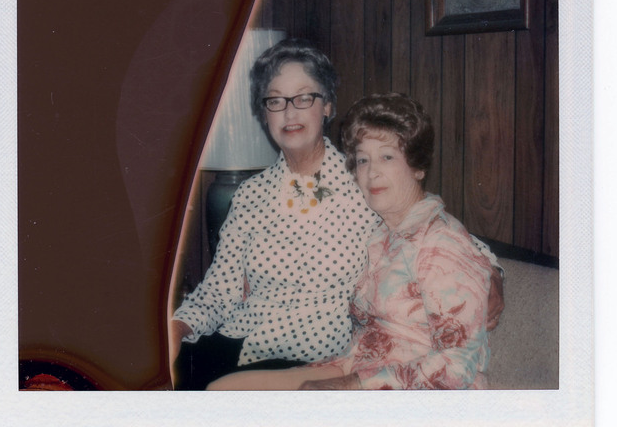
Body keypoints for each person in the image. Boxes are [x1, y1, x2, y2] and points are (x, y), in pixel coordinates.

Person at [208, 92, 499, 391]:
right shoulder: (378, 232)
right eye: (363, 160)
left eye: (387, 157)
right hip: (355, 364)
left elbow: (458, 364)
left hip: (415, 392)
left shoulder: (442, 243)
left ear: (417, 166)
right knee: (224, 392)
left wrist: (352, 385)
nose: (372, 172)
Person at [170, 40, 379, 389]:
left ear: (326, 105)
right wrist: (176, 329)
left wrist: (492, 269)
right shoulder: (250, 195)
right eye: (276, 100)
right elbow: (220, 291)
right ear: (264, 112)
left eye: (303, 98)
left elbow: (424, 220)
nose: (289, 112)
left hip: (310, 359)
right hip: (238, 342)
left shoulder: (363, 181)